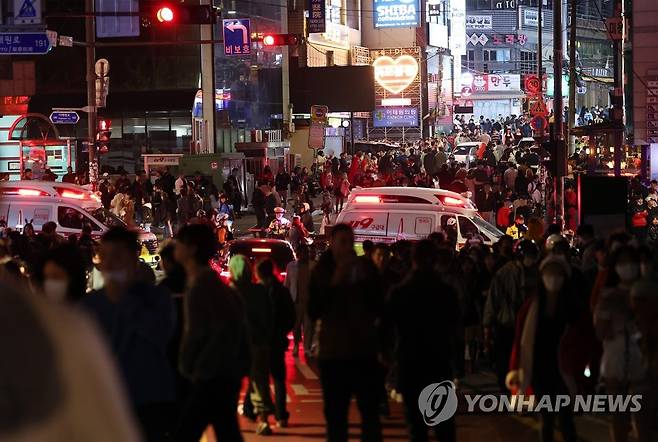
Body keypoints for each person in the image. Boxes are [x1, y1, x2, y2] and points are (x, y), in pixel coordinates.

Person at [81, 227, 175, 441]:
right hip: (106, 402)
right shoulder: (91, 305)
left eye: (117, 256)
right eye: (104, 256)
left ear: (134, 259)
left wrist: (123, 298)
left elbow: (160, 334)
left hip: (150, 401)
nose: (110, 263)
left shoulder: (156, 298)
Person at [173, 224, 249, 442]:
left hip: (210, 374)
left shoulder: (200, 286)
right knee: (226, 430)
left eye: (180, 242)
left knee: (186, 432)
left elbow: (195, 333)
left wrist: (186, 366)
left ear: (191, 249)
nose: (175, 246)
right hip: (224, 372)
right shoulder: (214, 284)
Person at [507, 256, 596, 442]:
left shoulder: (575, 308)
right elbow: (520, 340)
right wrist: (515, 368)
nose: (553, 278)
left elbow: (586, 339)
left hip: (565, 370)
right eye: (549, 274)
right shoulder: (531, 307)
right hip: (540, 369)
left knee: (566, 420)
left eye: (557, 274)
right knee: (546, 419)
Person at [309, 224, 383, 441]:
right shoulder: (322, 271)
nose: (348, 247)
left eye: (351, 242)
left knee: (370, 413)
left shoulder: (365, 268)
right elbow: (315, 310)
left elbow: (379, 305)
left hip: (363, 350)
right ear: (332, 243)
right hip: (333, 353)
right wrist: (337, 280)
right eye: (343, 242)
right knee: (336, 415)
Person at [384, 240, 459, 442]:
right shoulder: (445, 292)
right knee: (444, 427)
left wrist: (390, 359)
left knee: (417, 428)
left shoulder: (401, 292)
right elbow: (455, 327)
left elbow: (387, 329)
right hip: (438, 362)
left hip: (410, 363)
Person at [593, 246, 649, 442]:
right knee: (619, 417)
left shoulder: (647, 292)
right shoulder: (609, 296)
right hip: (615, 359)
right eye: (622, 263)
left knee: (644, 419)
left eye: (631, 262)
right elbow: (599, 331)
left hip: (643, 358)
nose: (628, 267)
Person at [483, 239, 540, 392]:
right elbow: (493, 300)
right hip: (506, 325)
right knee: (505, 361)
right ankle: (506, 390)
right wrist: (487, 327)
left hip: (528, 326)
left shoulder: (536, 273)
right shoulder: (504, 273)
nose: (532, 260)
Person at [230, 254, 276, 435]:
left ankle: (230, 424)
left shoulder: (230, 292)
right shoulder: (260, 291)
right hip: (259, 344)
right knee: (260, 384)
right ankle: (263, 420)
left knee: (233, 386)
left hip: (236, 347)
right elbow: (270, 316)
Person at [255, 259, 296, 428]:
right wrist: (282, 332)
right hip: (277, 341)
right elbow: (291, 316)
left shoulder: (257, 292)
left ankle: (262, 415)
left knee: (260, 380)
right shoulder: (282, 291)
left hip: (261, 342)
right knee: (279, 379)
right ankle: (281, 416)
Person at [285, 244, 313, 357]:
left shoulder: (312, 266)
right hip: (295, 300)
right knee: (296, 326)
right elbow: (287, 283)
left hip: (309, 300)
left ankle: (307, 348)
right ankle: (296, 345)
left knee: (308, 326)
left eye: (305, 253)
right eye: (300, 253)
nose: (302, 255)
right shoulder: (291, 266)